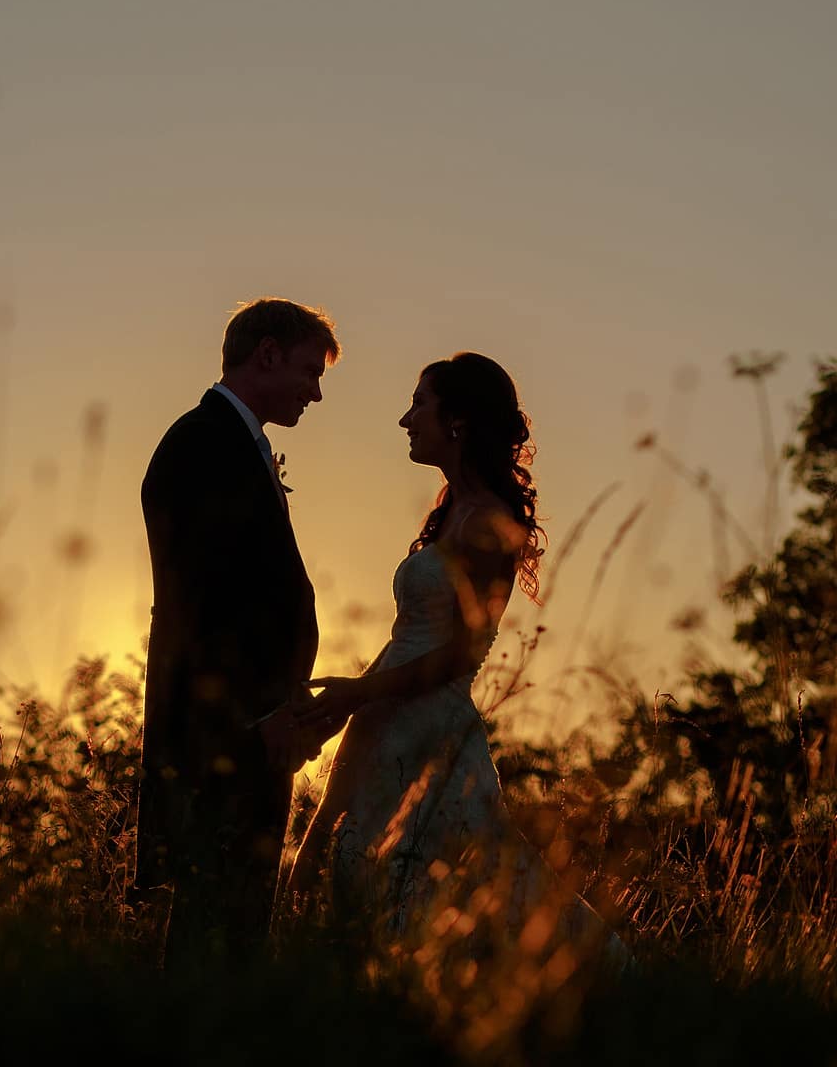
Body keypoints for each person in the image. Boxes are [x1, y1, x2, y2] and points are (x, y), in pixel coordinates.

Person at [287, 353, 626, 966]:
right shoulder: (450, 513)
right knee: (359, 865)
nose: (405, 418)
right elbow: (413, 638)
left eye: (420, 402)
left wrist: (359, 694)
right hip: (391, 711)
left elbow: (462, 652)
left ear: (459, 421)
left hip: (430, 726)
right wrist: (357, 700)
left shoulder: (491, 523)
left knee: (437, 876)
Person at [135, 297, 343, 966]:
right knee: (215, 933)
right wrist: (259, 717)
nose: (316, 392)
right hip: (224, 737)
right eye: (310, 372)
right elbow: (202, 605)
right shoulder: (201, 444)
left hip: (254, 731)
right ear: (268, 354)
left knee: (236, 928)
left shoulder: (235, 444)